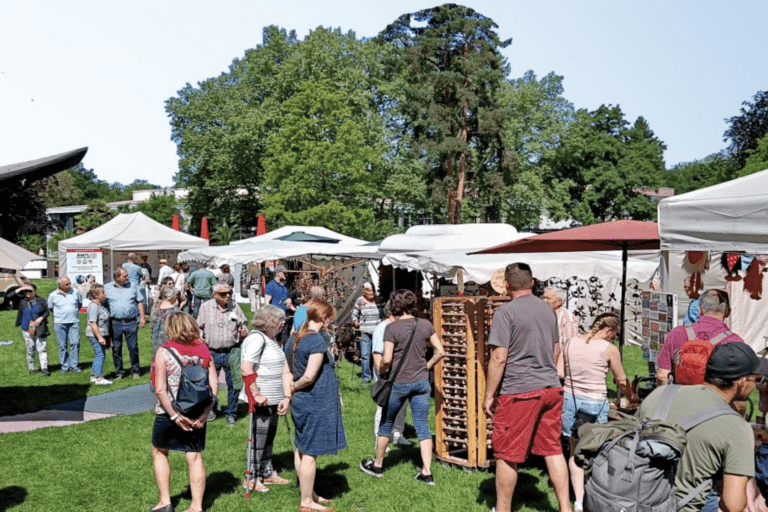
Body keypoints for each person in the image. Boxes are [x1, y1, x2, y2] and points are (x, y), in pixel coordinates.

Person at [482, 263, 571, 512]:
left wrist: (488, 395)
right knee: (553, 449)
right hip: (551, 388)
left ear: (507, 285)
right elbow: (555, 350)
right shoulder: (548, 311)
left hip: (519, 392)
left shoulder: (505, 312)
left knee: (507, 453)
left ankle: (503, 509)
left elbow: (498, 357)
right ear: (532, 282)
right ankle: (565, 508)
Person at [637, 342, 767, 512]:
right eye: (756, 380)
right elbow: (733, 505)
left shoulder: (660, 394)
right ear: (742, 382)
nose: (756, 386)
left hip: (631, 498)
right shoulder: (737, 427)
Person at [360, 289, 445, 485]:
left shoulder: (391, 328)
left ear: (394, 305)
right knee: (422, 425)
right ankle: (427, 472)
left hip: (399, 383)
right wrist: (426, 366)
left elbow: (387, 359)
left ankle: (377, 465)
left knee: (386, 423)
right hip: (422, 382)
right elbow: (440, 351)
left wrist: (381, 371)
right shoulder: (425, 324)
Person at [556, 312, 635, 512]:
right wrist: (632, 396)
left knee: (574, 450)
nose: (613, 339)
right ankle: (598, 495)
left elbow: (560, 372)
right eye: (614, 335)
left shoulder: (570, 343)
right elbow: (621, 380)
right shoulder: (608, 349)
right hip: (594, 403)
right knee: (599, 450)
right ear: (609, 331)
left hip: (571, 400)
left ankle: (578, 501)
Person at [150, 311, 218, 512]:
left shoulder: (164, 352)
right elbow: (214, 383)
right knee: (194, 456)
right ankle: (196, 506)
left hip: (168, 410)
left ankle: (165, 502)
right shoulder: (203, 350)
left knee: (160, 451)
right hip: (197, 411)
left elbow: (160, 389)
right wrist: (206, 412)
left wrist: (173, 415)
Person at [284, 300, 345, 512]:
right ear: (323, 318)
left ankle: (309, 493)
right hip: (314, 401)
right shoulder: (316, 341)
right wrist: (294, 387)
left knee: (302, 448)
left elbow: (287, 371)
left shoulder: (293, 339)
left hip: (302, 402)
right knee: (310, 452)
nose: (330, 323)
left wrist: (289, 392)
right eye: (330, 319)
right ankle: (306, 502)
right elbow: (309, 376)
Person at [240, 305, 292, 493]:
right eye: (280, 319)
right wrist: (256, 394)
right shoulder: (256, 338)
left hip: (274, 398)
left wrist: (286, 396)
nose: (283, 322)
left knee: (269, 437)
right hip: (261, 398)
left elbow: (285, 369)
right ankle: (251, 477)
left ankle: (266, 472)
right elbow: (246, 368)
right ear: (269, 320)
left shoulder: (272, 339)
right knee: (258, 439)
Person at [657, 289, 743, 385]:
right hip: (714, 394)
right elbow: (738, 383)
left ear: (699, 309)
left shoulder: (677, 333)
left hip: (681, 392)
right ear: (728, 312)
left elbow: (662, 376)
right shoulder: (735, 341)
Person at [197, 282, 248, 426]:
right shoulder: (206, 307)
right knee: (209, 383)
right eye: (223, 294)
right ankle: (211, 409)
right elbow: (198, 327)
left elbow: (243, 325)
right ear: (215, 295)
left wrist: (244, 331)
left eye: (229, 293)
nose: (228, 296)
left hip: (232, 351)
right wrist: (200, 336)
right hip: (212, 352)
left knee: (234, 384)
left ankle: (231, 413)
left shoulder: (234, 307)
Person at [370, 300, 410, 448]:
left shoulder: (400, 327)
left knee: (402, 404)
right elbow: (377, 354)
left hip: (401, 374)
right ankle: (380, 440)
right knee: (383, 407)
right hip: (386, 375)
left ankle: (397, 434)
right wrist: (382, 375)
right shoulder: (381, 328)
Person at [105, 268, 147, 380]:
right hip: (115, 323)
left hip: (131, 322)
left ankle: (135, 370)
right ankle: (119, 372)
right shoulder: (107, 288)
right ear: (117, 277)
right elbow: (103, 305)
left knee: (133, 347)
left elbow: (140, 302)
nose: (127, 278)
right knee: (116, 348)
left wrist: (142, 317)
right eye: (125, 276)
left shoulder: (133, 286)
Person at [47, 276, 82, 374]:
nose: (68, 286)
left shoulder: (75, 292)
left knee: (75, 343)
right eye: (66, 284)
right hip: (59, 323)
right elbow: (51, 308)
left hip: (74, 322)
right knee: (62, 345)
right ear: (60, 285)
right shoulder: (53, 295)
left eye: (69, 283)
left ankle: (74, 365)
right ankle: (65, 365)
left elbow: (79, 304)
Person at [15, 283, 50, 376]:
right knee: (30, 349)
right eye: (25, 291)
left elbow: (47, 311)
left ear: (35, 291)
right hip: (27, 328)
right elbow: (11, 295)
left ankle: (44, 368)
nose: (27, 292)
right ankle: (31, 368)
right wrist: (23, 288)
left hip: (40, 327)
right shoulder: (22, 301)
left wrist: (41, 318)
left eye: (30, 291)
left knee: (42, 348)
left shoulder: (41, 300)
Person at [351, 282, 382, 384]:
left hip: (378, 332)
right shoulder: (360, 300)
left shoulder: (379, 300)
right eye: (368, 290)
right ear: (364, 291)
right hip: (365, 331)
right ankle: (366, 378)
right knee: (365, 355)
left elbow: (385, 314)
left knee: (377, 354)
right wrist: (356, 321)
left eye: (373, 290)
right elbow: (354, 314)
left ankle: (379, 377)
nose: (371, 292)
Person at [543, 287, 580, 361]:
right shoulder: (545, 314)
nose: (544, 301)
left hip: (558, 361)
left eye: (548, 298)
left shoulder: (566, 317)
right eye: (544, 297)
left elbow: (569, 344)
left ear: (559, 301)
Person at [86, 283, 113, 385]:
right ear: (96, 295)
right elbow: (93, 323)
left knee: (100, 354)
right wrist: (100, 337)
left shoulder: (100, 305)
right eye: (102, 293)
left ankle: (94, 375)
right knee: (100, 354)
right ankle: (98, 377)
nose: (105, 294)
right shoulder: (93, 306)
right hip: (95, 334)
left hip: (101, 333)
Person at [151, 286, 182, 360]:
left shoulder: (155, 309)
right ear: (169, 297)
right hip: (172, 343)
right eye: (175, 296)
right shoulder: (175, 311)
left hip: (157, 343)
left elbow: (152, 327)